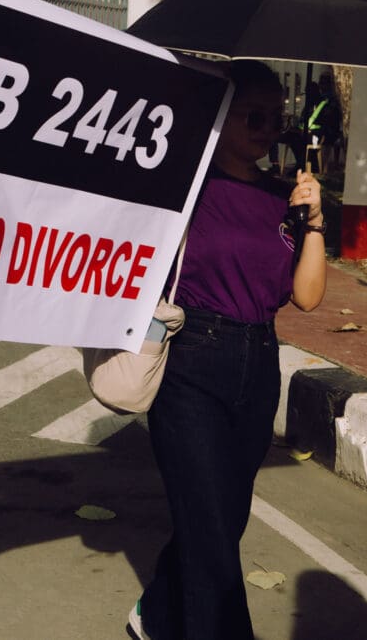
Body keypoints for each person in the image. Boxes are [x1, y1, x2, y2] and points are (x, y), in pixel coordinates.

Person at [129, 61, 327, 640]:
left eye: (276, 117)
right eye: (254, 116)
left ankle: (159, 614)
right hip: (192, 361)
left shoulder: (283, 197)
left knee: (222, 517)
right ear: (223, 115)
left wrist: (314, 222)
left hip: (259, 364)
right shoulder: (184, 184)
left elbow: (308, 297)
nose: (267, 129)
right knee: (213, 529)